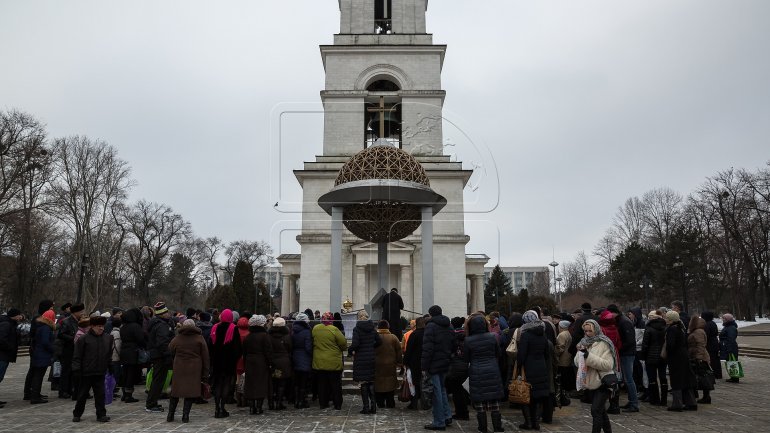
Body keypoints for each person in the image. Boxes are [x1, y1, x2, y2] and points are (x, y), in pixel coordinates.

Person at [464, 314, 504, 433]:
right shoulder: (492, 337)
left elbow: (466, 358)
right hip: (492, 369)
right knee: (494, 400)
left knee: (480, 401)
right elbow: (498, 353)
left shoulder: (468, 340)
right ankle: (497, 427)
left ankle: (482, 428)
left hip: (476, 370)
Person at [575, 319, 617, 433]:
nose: (587, 333)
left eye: (590, 331)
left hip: (603, 382)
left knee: (595, 410)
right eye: (586, 331)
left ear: (596, 330)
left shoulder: (604, 343)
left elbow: (608, 365)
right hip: (591, 382)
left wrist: (588, 356)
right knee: (601, 411)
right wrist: (581, 354)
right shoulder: (584, 342)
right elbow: (577, 362)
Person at [167, 319, 210, 423]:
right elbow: (205, 356)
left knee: (175, 392)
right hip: (194, 369)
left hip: (179, 367)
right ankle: (185, 416)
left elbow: (170, 348)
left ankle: (170, 415)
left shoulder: (178, 337)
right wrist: (205, 373)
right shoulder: (199, 338)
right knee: (189, 392)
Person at [71, 316, 113, 423]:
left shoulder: (108, 338)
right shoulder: (83, 339)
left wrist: (110, 366)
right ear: (92, 326)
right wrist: (76, 370)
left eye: (103, 326)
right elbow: (77, 356)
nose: (102, 328)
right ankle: (77, 414)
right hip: (86, 372)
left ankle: (101, 415)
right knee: (82, 395)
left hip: (100, 371)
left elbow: (108, 355)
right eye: (99, 326)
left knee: (100, 395)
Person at [421, 305, 453, 431]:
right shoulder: (449, 325)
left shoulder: (431, 326)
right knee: (442, 390)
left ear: (431, 314)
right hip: (445, 362)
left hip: (434, 364)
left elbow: (427, 348)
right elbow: (453, 343)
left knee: (436, 393)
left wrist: (424, 366)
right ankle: (447, 416)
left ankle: (439, 422)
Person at [516, 310, 550, 431]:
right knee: (539, 396)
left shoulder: (526, 335)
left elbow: (521, 355)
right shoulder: (543, 334)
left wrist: (518, 367)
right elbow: (547, 353)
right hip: (541, 367)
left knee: (526, 395)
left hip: (529, 368)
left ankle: (528, 423)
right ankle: (536, 423)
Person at [209, 308, 242, 418]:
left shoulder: (215, 327)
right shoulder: (234, 329)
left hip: (217, 361)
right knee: (226, 384)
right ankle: (222, 408)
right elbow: (238, 348)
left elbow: (210, 345)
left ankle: (217, 408)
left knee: (218, 384)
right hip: (229, 362)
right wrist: (235, 359)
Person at [606, 305, 638, 412]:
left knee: (629, 379)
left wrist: (618, 348)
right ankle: (631, 401)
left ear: (614, 312)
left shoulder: (624, 322)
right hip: (625, 353)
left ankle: (634, 404)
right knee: (627, 379)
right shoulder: (621, 320)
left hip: (627, 354)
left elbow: (630, 341)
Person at [312, 312, 347, 410]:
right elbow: (343, 344)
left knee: (322, 385)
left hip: (319, 361)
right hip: (333, 362)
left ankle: (323, 403)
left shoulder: (316, 329)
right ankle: (337, 404)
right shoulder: (334, 329)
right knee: (335, 385)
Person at [348, 310, 381, 414]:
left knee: (363, 382)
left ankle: (366, 407)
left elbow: (355, 344)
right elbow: (379, 341)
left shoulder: (357, 329)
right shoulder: (372, 328)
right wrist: (371, 347)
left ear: (359, 317)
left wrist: (350, 350)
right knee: (370, 381)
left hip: (361, 358)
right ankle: (373, 407)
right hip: (370, 357)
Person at [146, 302, 175, 413]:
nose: (168, 314)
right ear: (162, 314)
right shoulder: (161, 325)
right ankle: (151, 404)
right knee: (158, 380)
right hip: (160, 356)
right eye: (166, 312)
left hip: (157, 355)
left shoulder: (157, 323)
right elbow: (163, 343)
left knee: (157, 379)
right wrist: (168, 355)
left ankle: (152, 402)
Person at [664, 311, 697, 411]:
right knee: (686, 379)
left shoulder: (671, 329)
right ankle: (691, 402)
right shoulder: (680, 328)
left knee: (676, 380)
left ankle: (677, 404)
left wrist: (667, 353)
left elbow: (670, 345)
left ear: (671, 319)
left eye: (666, 318)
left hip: (676, 357)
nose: (665, 319)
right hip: (683, 356)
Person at [243, 315, 272, 414]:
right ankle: (259, 407)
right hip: (261, 362)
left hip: (250, 361)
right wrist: (270, 363)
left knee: (250, 384)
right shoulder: (265, 336)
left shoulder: (248, 336)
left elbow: (244, 352)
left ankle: (252, 407)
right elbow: (268, 351)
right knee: (261, 384)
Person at [28, 309, 56, 404]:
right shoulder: (46, 328)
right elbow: (45, 342)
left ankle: (36, 394)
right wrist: (53, 349)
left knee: (38, 375)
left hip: (39, 353)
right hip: (42, 354)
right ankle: (35, 396)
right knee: (38, 376)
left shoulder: (41, 326)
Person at [640, 310, 667, 406]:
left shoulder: (649, 328)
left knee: (652, 378)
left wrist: (643, 356)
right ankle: (664, 399)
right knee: (663, 377)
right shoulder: (665, 327)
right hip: (663, 356)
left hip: (650, 357)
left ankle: (654, 399)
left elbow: (645, 344)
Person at [446, 316, 470, 421]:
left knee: (456, 391)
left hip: (454, 366)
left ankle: (460, 413)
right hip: (466, 364)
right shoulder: (467, 335)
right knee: (464, 390)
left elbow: (449, 350)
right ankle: (465, 412)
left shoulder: (451, 335)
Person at [119, 308, 145, 403]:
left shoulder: (123, 327)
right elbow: (140, 339)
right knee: (131, 373)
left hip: (124, 351)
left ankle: (124, 394)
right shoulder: (135, 326)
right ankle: (129, 395)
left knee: (125, 373)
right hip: (133, 352)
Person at [374, 319, 402, 409]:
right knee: (390, 384)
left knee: (378, 383)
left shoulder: (374, 337)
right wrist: (399, 363)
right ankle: (390, 403)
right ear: (388, 327)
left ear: (378, 327)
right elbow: (399, 351)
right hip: (390, 364)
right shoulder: (393, 337)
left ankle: (380, 403)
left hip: (377, 364)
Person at [598, 309, 622, 414]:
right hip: (615, 355)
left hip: (604, 355)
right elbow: (619, 344)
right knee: (614, 379)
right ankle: (614, 404)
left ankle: (602, 403)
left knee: (604, 378)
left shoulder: (601, 330)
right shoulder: (615, 329)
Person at [268, 317, 292, 410]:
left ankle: (271, 403)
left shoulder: (269, 336)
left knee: (273, 383)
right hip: (283, 361)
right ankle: (279, 402)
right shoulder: (287, 336)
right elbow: (290, 348)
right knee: (281, 383)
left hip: (272, 361)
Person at [0, 308, 23, 406]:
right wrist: (10, 348)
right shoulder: (6, 324)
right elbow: (1, 339)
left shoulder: (10, 324)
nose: (20, 317)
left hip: (4, 355)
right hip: (2, 356)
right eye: (19, 315)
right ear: (14, 315)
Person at [403, 316, 426, 410]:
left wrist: (405, 361)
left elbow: (409, 349)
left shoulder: (414, 334)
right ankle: (425, 402)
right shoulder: (428, 333)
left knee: (414, 382)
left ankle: (414, 402)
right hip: (425, 360)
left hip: (415, 362)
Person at [687, 317, 712, 404]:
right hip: (697, 356)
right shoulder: (697, 331)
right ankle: (705, 396)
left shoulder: (698, 332)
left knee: (703, 377)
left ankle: (706, 396)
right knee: (702, 376)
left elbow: (700, 345)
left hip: (700, 357)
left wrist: (699, 357)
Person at [555, 320, 573, 406]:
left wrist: (555, 354)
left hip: (562, 360)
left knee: (562, 379)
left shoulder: (562, 335)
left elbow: (560, 348)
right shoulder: (568, 333)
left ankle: (563, 395)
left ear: (561, 326)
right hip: (568, 358)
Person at [701, 312, 722, 380]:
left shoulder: (707, 324)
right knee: (716, 360)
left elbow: (706, 334)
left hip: (710, 344)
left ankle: (714, 374)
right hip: (714, 342)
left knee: (712, 359)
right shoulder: (712, 323)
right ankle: (718, 374)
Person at [720, 313, 739, 383]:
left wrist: (729, 349)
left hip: (731, 347)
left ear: (727, 320)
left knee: (732, 362)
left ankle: (735, 377)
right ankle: (733, 376)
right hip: (728, 346)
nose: (723, 320)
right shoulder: (728, 327)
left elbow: (731, 339)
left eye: (724, 319)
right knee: (730, 362)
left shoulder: (731, 328)